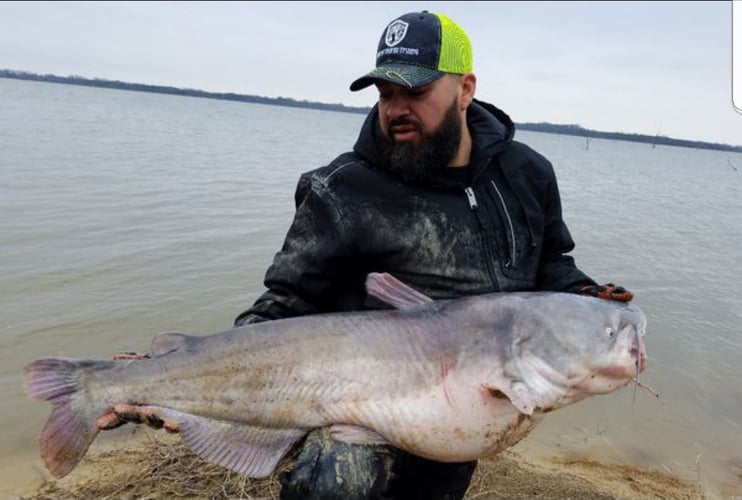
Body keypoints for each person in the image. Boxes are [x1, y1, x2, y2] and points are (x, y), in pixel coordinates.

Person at [231, 10, 633, 500]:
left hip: (463, 411)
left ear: (465, 89)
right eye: (385, 94)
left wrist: (587, 297)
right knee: (340, 479)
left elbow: (549, 265)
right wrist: (191, 373)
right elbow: (286, 303)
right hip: (357, 404)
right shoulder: (343, 190)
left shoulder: (526, 174)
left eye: (415, 93)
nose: (395, 108)